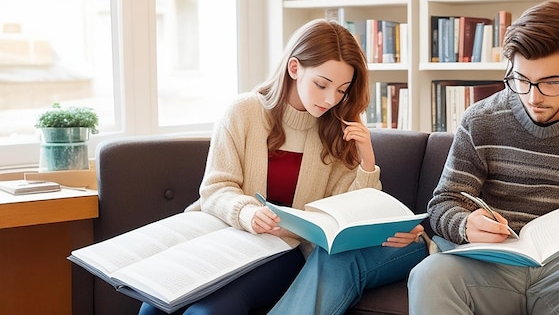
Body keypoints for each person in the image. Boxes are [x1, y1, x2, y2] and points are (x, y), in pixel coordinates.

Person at [139, 18, 428, 315]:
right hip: (222, 238)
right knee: (153, 306)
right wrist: (247, 212)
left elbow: (350, 214)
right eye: (321, 84)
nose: (331, 99)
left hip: (283, 252)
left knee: (210, 310)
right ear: (294, 69)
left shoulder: (338, 129)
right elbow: (215, 188)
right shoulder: (244, 112)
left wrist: (367, 162)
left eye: (342, 90)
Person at [408, 0, 559, 315]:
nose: (532, 97)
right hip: (490, 263)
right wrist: (466, 225)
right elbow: (443, 204)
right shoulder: (481, 119)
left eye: (550, 83)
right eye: (521, 80)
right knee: (428, 277)